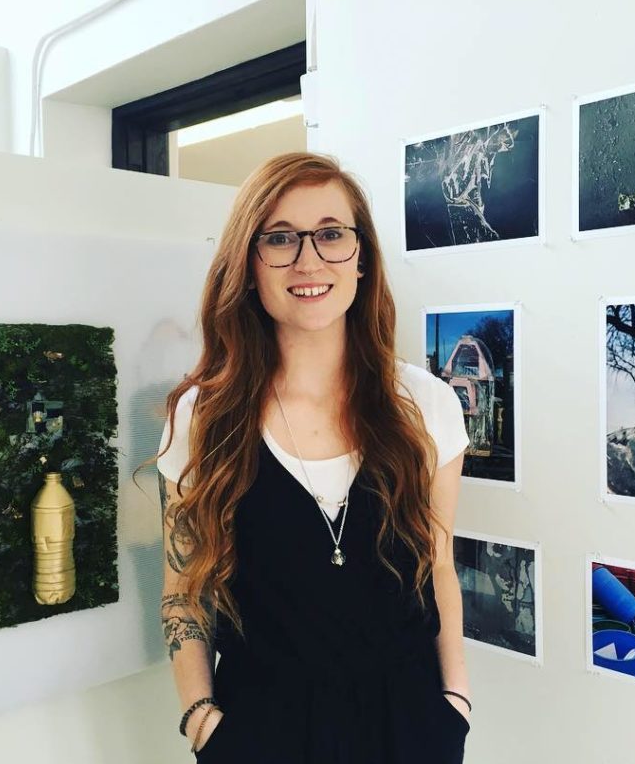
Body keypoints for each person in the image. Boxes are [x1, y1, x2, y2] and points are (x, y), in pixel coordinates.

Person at [156, 152, 472, 763]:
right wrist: (200, 717)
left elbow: (438, 564)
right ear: (249, 264)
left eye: (331, 234)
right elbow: (182, 591)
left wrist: (454, 703)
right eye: (280, 238)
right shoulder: (202, 416)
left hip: (410, 728)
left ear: (361, 257)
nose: (308, 260)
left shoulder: (425, 404)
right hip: (260, 731)